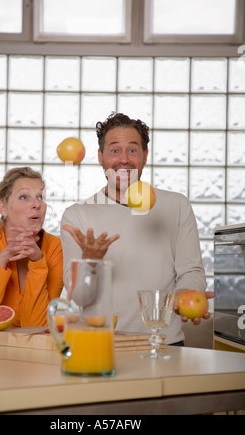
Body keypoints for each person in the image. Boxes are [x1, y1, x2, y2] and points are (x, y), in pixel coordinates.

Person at [61, 112, 214, 345]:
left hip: (165, 343)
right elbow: (78, 298)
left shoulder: (177, 205)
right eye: (114, 150)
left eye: (132, 150)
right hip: (101, 345)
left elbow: (191, 271)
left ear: (144, 156)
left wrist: (186, 291)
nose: (124, 159)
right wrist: (90, 262)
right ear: (100, 157)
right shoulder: (77, 215)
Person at [0, 167, 63, 329]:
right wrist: (1, 261)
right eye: (24, 197)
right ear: (3, 208)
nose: (36, 204)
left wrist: (38, 262)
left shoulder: (55, 247)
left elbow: (37, 327)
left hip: (31, 351)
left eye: (40, 197)